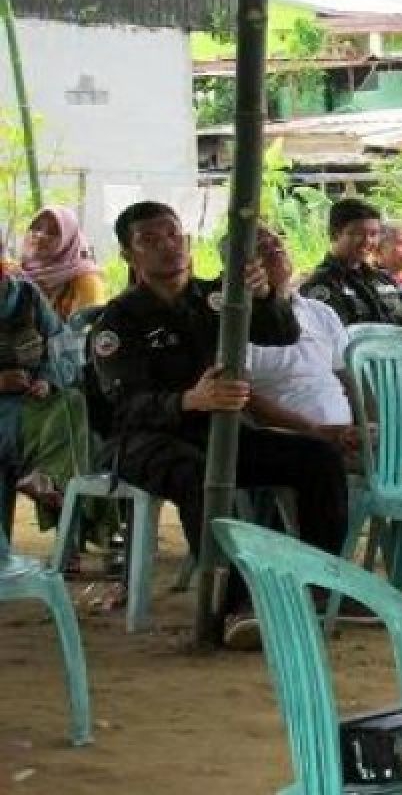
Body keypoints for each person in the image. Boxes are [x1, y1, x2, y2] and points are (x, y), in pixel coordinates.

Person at [89, 202, 349, 650]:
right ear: (129, 256)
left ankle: (313, 588)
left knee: (318, 459)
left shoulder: (216, 298)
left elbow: (278, 333)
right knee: (202, 478)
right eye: (150, 240)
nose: (167, 246)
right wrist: (189, 399)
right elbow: (124, 407)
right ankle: (236, 608)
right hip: (143, 441)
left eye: (173, 234)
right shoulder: (118, 320)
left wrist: (265, 294)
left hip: (218, 434)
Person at [241, 224, 358, 460]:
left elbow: (349, 379)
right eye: (261, 248)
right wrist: (312, 430)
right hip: (289, 439)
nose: (275, 249)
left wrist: (367, 426)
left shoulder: (320, 312)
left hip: (347, 434)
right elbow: (245, 400)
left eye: (277, 243)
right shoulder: (235, 324)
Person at [0, 262, 91, 534]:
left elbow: (63, 348)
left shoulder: (26, 297)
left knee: (72, 403)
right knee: (72, 437)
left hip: (34, 403)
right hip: (9, 414)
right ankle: (73, 538)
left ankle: (47, 480)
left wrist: (47, 380)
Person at [298, 198, 402, 327]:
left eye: (373, 234)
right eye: (358, 234)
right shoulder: (320, 285)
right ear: (335, 234)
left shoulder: (384, 280)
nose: (367, 241)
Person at [20, 205, 107, 320]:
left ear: (69, 240)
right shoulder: (21, 272)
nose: (40, 235)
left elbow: (86, 330)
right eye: (37, 228)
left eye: (52, 232)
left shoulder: (87, 281)